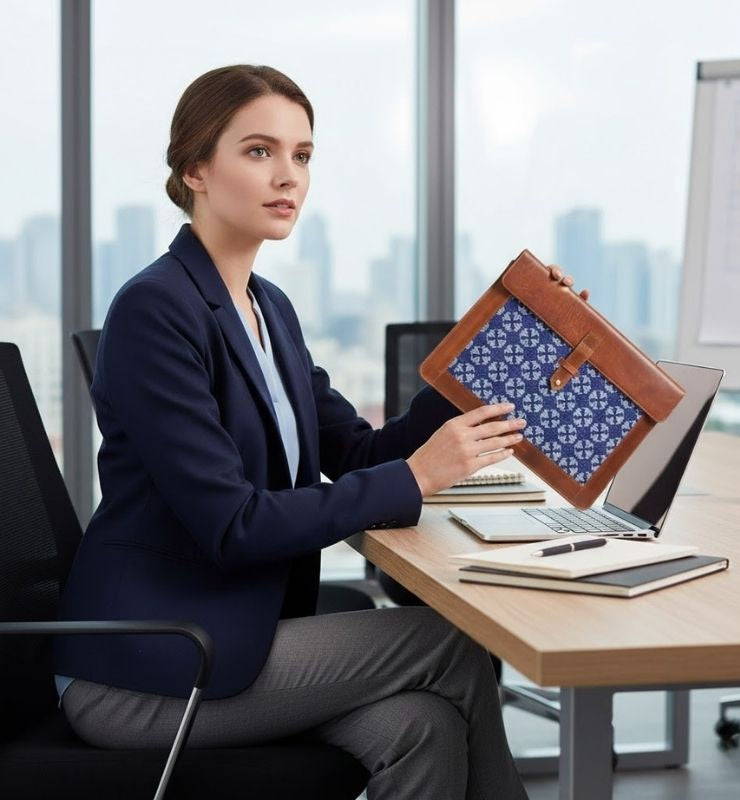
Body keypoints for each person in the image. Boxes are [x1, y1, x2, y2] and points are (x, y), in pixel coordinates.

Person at [54, 64, 584, 800]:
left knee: (421, 728)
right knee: (451, 644)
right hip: (151, 666)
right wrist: (418, 478)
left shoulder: (268, 310)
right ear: (195, 169)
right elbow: (232, 525)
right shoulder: (155, 311)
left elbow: (362, 452)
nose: (288, 176)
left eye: (302, 156)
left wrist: (497, 342)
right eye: (259, 151)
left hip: (239, 630)